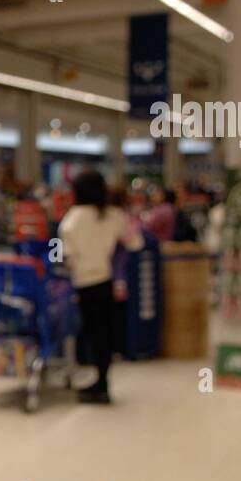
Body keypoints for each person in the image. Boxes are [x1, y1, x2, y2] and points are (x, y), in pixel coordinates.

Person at [58, 169, 144, 404]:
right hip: (105, 281)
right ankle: (103, 382)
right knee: (104, 333)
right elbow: (135, 242)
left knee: (90, 331)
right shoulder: (114, 216)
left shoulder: (71, 219)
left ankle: (97, 383)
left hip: (83, 283)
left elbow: (64, 255)